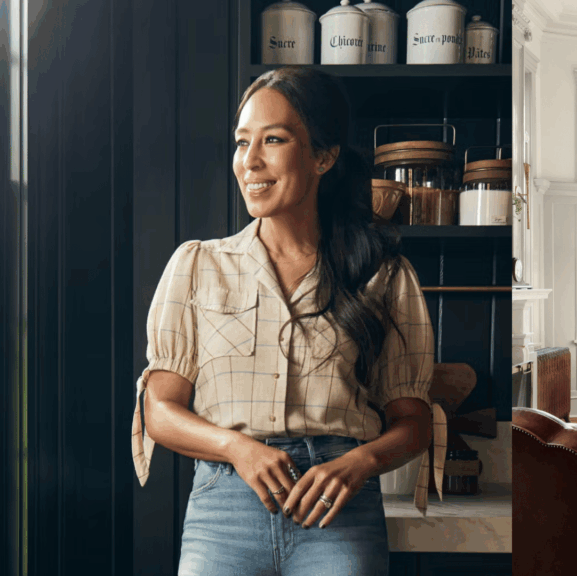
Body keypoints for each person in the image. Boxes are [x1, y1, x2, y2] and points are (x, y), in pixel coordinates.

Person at [130, 66, 435, 575]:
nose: (250, 161)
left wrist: (359, 463)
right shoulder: (198, 266)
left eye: (273, 140)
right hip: (224, 507)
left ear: (323, 156)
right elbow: (158, 411)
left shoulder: (384, 276)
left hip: (338, 509)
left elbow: (414, 422)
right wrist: (238, 449)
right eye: (241, 142)